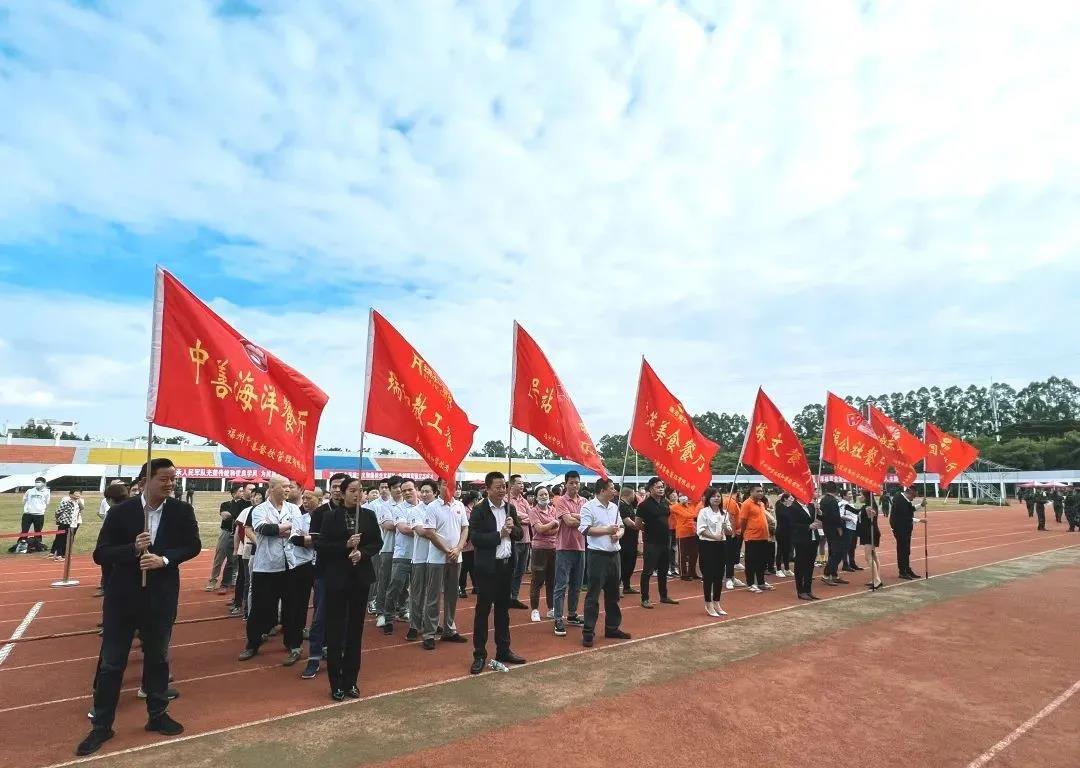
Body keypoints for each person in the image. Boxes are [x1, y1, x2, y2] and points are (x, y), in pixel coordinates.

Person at [76, 458, 200, 757]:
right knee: (112, 662)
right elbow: (101, 554)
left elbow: (192, 545)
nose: (170, 484)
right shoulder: (121, 512)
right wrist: (132, 549)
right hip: (122, 598)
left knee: (158, 657)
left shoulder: (181, 511)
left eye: (173, 479)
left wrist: (164, 560)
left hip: (161, 596)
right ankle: (102, 725)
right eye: (164, 479)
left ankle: (157, 714)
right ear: (145, 481)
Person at [316, 476, 382, 700]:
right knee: (335, 630)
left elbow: (376, 542)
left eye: (360, 490)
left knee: (355, 630)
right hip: (337, 579)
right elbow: (322, 545)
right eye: (352, 490)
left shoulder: (368, 516)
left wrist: (362, 553)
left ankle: (351, 681)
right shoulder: (330, 517)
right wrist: (344, 546)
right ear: (342, 493)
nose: (357, 494)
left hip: (360, 579)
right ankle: (335, 682)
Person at [468, 471, 526, 674]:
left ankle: (503, 650)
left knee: (503, 611)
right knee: (483, 611)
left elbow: (519, 534)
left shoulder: (511, 508)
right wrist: (498, 534)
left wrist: (512, 528)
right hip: (487, 569)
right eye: (498, 487)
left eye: (504, 486)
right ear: (488, 489)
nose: (502, 490)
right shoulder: (479, 510)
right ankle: (479, 654)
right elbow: (475, 538)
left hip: (506, 566)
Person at [238, 477, 299, 661]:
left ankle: (293, 643)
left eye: (289, 487)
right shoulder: (259, 509)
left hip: (289, 564)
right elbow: (264, 529)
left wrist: (282, 529)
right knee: (260, 607)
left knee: (291, 607)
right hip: (266, 565)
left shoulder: (293, 508)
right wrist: (288, 526)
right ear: (271, 488)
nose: (288, 490)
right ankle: (253, 643)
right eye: (284, 486)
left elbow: (298, 531)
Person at [301, 472, 348, 679]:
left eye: (341, 486)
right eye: (334, 486)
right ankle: (314, 657)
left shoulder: (355, 511)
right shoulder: (320, 512)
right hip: (324, 571)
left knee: (344, 616)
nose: (338, 490)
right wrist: (343, 545)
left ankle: (338, 652)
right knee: (320, 616)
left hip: (349, 572)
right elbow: (317, 543)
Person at [577, 478, 631, 647]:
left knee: (613, 595)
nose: (614, 491)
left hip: (614, 555)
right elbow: (585, 529)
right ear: (602, 490)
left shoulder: (614, 507)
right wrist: (607, 530)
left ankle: (612, 627)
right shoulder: (588, 507)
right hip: (597, 556)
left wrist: (618, 534)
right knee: (593, 595)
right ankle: (588, 632)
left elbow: (621, 527)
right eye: (612, 488)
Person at [428, 480, 469, 644]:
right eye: (445, 483)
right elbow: (430, 533)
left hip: (456, 558)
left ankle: (449, 629)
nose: (449, 487)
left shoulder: (459, 505)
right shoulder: (432, 507)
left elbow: (465, 528)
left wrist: (458, 549)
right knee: (434, 596)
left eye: (452, 484)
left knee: (452, 595)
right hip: (437, 559)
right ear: (439, 486)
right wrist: (447, 550)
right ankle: (429, 633)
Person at [282, 486, 317, 666]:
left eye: (310, 498)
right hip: (302, 565)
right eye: (305, 498)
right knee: (298, 604)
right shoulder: (300, 518)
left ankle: (322, 644)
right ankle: (295, 645)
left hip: (322, 565)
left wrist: (311, 539)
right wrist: (318, 539)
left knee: (321, 605)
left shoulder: (327, 518)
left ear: (320, 500)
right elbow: (295, 539)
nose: (306, 501)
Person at [381, 478, 419, 635]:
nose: (407, 493)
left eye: (410, 489)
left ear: (416, 489)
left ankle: (416, 622)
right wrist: (427, 531)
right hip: (402, 554)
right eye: (404, 491)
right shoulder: (399, 508)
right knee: (395, 587)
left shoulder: (425, 508)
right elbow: (404, 529)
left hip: (420, 556)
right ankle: (388, 618)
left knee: (418, 591)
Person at [552, 470, 587, 637]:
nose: (574, 485)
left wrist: (575, 516)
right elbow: (569, 522)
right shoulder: (561, 501)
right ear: (565, 484)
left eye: (577, 482)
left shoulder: (584, 501)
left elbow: (589, 520)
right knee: (561, 585)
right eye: (571, 483)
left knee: (576, 584)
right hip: (564, 547)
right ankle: (558, 618)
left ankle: (572, 614)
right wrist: (579, 518)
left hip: (580, 547)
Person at [635, 477, 679, 608]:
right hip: (651, 543)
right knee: (648, 571)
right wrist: (648, 530)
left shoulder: (665, 503)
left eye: (662, 487)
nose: (661, 489)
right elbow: (638, 524)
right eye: (658, 487)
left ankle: (664, 596)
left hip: (665, 541)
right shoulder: (644, 505)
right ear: (650, 488)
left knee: (663, 570)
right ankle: (645, 598)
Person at [406, 480, 435, 642]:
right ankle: (414, 625)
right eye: (422, 491)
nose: (424, 494)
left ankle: (430, 623)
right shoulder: (415, 510)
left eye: (428, 491)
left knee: (433, 594)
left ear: (435, 493)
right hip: (419, 557)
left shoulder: (439, 509)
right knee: (417, 593)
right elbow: (421, 531)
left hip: (436, 557)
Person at [697, 487, 732, 617]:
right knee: (708, 575)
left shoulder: (724, 513)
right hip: (707, 545)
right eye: (713, 496)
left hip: (721, 545)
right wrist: (714, 536)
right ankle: (708, 603)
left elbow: (729, 531)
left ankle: (717, 602)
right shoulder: (704, 512)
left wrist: (726, 528)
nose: (717, 498)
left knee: (719, 575)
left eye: (718, 496)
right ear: (708, 498)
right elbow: (701, 530)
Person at [206, 485, 249, 594]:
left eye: (243, 491)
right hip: (226, 532)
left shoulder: (245, 505)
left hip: (238, 533)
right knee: (220, 556)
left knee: (235, 558)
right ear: (234, 493)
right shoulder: (226, 504)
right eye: (240, 491)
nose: (242, 493)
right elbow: (225, 516)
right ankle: (213, 579)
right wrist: (235, 512)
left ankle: (232, 579)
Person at [372, 476, 402, 627]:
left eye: (400, 486)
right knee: (384, 581)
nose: (398, 490)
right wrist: (406, 524)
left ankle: (401, 608)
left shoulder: (409, 504)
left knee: (402, 583)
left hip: (405, 550)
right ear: (390, 490)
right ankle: (381, 612)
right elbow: (388, 525)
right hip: (389, 548)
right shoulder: (385, 506)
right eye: (395, 487)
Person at [528, 485, 559, 622]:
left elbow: (558, 529)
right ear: (536, 497)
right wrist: (552, 523)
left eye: (546, 494)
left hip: (553, 547)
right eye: (541, 494)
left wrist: (549, 528)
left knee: (551, 580)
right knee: (537, 580)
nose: (544, 496)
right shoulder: (533, 511)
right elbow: (539, 529)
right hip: (539, 549)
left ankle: (551, 608)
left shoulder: (553, 509)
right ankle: (535, 610)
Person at [786, 493, 821, 600]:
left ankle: (808, 589)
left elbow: (819, 518)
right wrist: (808, 526)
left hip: (813, 539)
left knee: (810, 565)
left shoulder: (811, 506)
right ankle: (800, 591)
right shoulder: (793, 507)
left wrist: (819, 511)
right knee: (800, 565)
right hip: (801, 540)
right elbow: (791, 525)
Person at [739, 485, 773, 592]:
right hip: (752, 537)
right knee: (751, 562)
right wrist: (745, 532)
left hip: (763, 537)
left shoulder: (761, 504)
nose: (760, 493)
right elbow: (743, 521)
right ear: (751, 492)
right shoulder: (746, 504)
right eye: (758, 491)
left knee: (761, 561)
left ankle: (761, 582)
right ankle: (750, 584)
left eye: (761, 491)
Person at [507, 474, 532, 609]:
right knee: (511, 569)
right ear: (511, 484)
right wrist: (522, 518)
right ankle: (506, 596)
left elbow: (532, 516)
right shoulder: (507, 499)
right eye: (519, 483)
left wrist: (522, 518)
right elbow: (513, 517)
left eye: (522, 483)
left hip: (526, 539)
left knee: (521, 570)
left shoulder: (524, 500)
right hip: (514, 540)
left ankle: (514, 597)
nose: (522, 485)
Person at [891, 486, 926, 579]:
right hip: (900, 529)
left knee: (906, 550)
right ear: (910, 492)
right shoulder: (899, 500)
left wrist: (921, 505)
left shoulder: (905, 499)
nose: (913, 498)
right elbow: (904, 517)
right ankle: (902, 571)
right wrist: (919, 520)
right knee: (902, 550)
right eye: (913, 496)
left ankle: (907, 569)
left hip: (906, 529)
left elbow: (910, 509)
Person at [857, 491, 883, 590]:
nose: (859, 497)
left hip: (870, 533)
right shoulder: (865, 506)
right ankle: (876, 578)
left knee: (868, 557)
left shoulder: (869, 507)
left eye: (861, 495)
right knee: (873, 556)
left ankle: (877, 580)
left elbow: (871, 517)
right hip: (867, 533)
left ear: (866, 497)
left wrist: (871, 513)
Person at [17, 476, 51, 553]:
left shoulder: (46, 492)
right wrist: (28, 508)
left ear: (44, 483)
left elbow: (47, 502)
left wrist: (40, 508)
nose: (37, 483)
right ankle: (21, 545)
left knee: (38, 530)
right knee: (24, 530)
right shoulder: (30, 491)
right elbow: (24, 500)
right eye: (36, 482)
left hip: (39, 514)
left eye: (39, 482)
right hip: (28, 514)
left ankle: (37, 545)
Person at [618, 486, 640, 594]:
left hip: (632, 540)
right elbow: (629, 523)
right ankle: (617, 587)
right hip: (624, 540)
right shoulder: (621, 506)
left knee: (630, 563)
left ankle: (627, 586)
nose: (635, 496)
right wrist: (642, 526)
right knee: (622, 563)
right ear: (629, 494)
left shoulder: (629, 505)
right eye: (634, 494)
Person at [672, 493, 699, 581]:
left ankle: (692, 572)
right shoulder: (675, 507)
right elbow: (687, 515)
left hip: (693, 532)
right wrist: (697, 514)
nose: (683, 497)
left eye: (684, 495)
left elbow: (694, 513)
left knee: (694, 554)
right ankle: (683, 574)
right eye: (680, 495)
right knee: (683, 555)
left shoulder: (691, 505)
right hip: (682, 533)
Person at [458, 491, 479, 597]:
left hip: (472, 544)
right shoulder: (465, 510)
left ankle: (476, 586)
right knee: (464, 568)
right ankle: (462, 588)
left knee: (473, 566)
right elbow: (466, 526)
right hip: (465, 542)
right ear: (474, 499)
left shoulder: (474, 509)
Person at [51, 490, 82, 560]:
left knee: (68, 540)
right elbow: (58, 511)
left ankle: (64, 554)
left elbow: (82, 508)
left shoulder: (78, 503)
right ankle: (58, 555)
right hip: (64, 523)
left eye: (79, 494)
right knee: (61, 539)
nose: (78, 495)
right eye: (76, 493)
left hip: (73, 523)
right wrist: (59, 519)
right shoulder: (66, 502)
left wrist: (79, 502)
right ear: (71, 495)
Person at [724, 490, 745, 589]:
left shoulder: (729, 501)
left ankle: (731, 577)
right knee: (729, 557)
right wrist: (733, 533)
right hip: (730, 534)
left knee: (731, 557)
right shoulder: (730, 502)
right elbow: (731, 517)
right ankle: (728, 578)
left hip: (733, 532)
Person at [840, 489, 862, 572]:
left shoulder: (851, 504)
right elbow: (840, 515)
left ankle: (852, 563)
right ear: (844, 496)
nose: (851, 495)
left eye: (851, 493)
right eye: (849, 494)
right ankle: (845, 564)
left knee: (853, 546)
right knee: (846, 546)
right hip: (847, 528)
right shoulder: (842, 504)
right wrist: (848, 519)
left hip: (854, 528)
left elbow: (856, 513)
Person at [773, 490, 793, 577]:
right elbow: (786, 516)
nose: (792, 500)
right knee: (780, 550)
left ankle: (787, 569)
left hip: (789, 532)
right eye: (790, 499)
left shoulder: (789, 507)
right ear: (785, 499)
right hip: (781, 532)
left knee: (787, 551)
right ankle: (778, 569)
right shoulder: (780, 506)